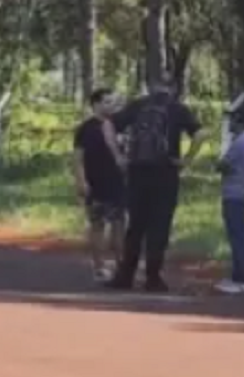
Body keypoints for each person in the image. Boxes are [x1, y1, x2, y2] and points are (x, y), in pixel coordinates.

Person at [107, 79, 203, 293]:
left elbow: (108, 124)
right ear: (173, 89)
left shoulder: (137, 105)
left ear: (150, 88)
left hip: (137, 171)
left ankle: (125, 275)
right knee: (159, 225)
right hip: (166, 172)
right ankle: (153, 277)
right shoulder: (178, 109)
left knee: (135, 226)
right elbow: (200, 133)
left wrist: (118, 156)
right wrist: (186, 160)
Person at [72, 88, 127, 281]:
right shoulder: (86, 128)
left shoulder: (120, 126)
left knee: (119, 225)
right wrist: (81, 181)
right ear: (95, 104)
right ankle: (99, 267)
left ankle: (123, 267)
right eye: (106, 102)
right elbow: (78, 158)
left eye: (113, 102)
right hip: (95, 185)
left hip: (118, 184)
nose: (111, 106)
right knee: (97, 226)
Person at [215, 99, 244, 295]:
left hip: (235, 193)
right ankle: (238, 276)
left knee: (237, 237)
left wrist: (220, 163)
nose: (230, 123)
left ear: (239, 120)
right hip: (240, 191)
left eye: (232, 119)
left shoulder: (240, 142)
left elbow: (222, 165)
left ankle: (241, 279)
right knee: (237, 235)